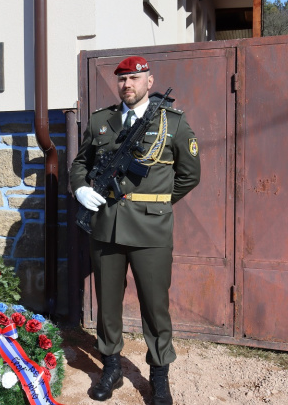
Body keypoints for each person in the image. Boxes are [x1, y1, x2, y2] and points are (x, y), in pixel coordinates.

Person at [69, 56, 200, 404]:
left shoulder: (173, 124)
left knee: (155, 306)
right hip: (106, 227)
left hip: (150, 230)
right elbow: (81, 163)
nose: (127, 84)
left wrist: (154, 202)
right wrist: (80, 187)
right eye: (122, 79)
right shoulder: (102, 121)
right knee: (107, 303)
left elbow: (190, 174)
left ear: (149, 81)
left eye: (134, 78)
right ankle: (110, 367)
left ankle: (159, 376)